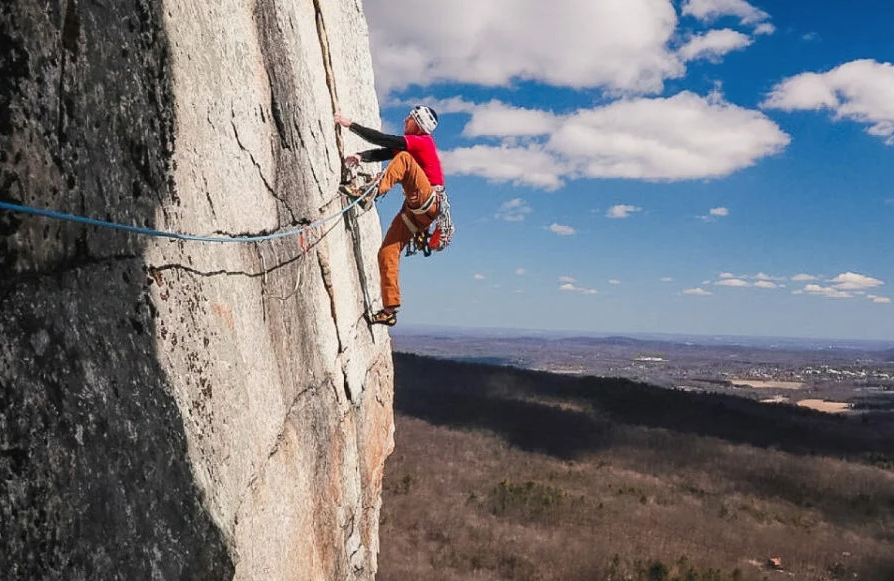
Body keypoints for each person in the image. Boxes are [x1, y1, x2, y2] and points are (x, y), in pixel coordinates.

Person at [334, 105, 443, 327]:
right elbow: (384, 152)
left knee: (403, 159)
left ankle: (369, 192)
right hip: (416, 211)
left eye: (411, 118)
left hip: (427, 200)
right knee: (387, 252)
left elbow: (383, 140)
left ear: (419, 125)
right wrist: (360, 157)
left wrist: (350, 124)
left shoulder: (422, 142)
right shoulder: (413, 144)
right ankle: (389, 310)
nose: (405, 120)